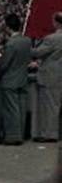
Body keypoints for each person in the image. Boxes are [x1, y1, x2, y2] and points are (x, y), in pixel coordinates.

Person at [0, 15, 32, 145]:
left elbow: (4, 64)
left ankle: (13, 136)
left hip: (10, 80)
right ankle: (21, 134)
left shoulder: (11, 44)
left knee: (11, 110)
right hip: (22, 77)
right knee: (21, 108)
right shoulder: (27, 40)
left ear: (7, 27)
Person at [33, 13, 62, 142]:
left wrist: (36, 43)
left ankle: (50, 134)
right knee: (56, 105)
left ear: (56, 23)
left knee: (50, 106)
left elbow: (37, 52)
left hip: (51, 75)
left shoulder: (52, 39)